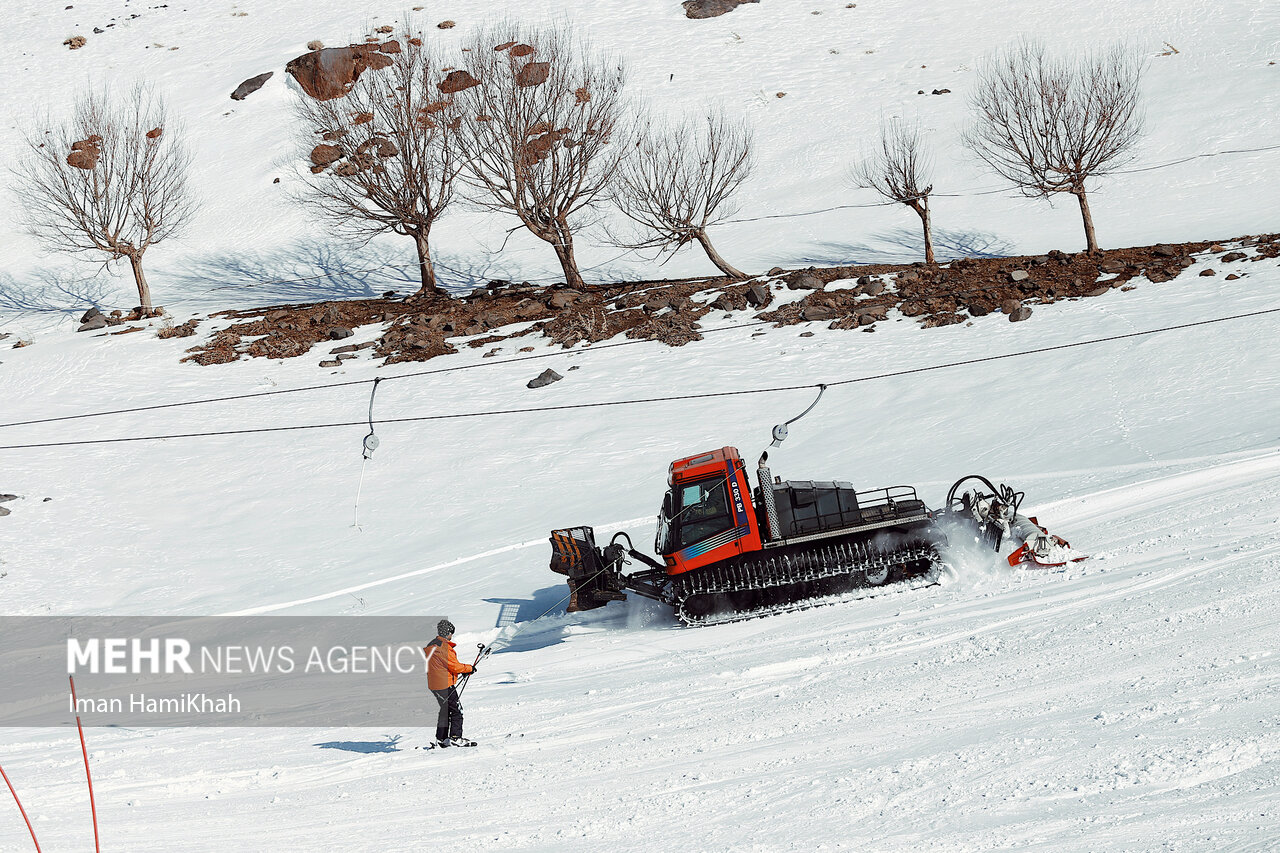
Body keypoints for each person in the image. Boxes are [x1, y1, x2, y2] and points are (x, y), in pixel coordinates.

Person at [423, 619, 477, 748]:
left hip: (434, 684)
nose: (452, 636)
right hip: (444, 685)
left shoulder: (432, 645)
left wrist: (461, 671)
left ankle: (442, 739)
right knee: (457, 711)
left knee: (445, 710)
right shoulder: (444, 648)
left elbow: (442, 666)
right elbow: (454, 666)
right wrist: (469, 668)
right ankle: (455, 738)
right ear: (448, 633)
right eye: (451, 633)